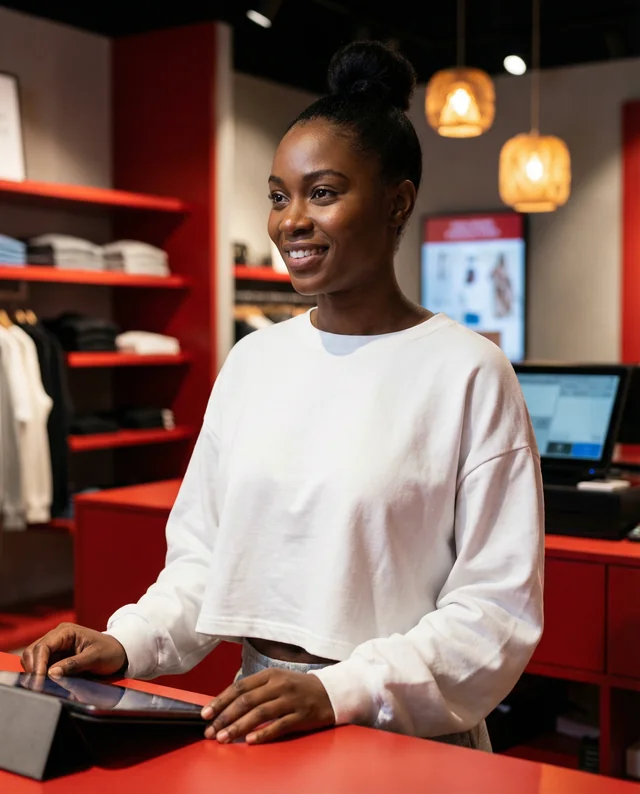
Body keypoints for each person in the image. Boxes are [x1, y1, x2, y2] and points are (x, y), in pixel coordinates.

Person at [22, 41, 544, 751]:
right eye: (278, 195)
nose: (290, 221)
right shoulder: (255, 361)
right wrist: (127, 642)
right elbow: (206, 555)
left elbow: (495, 613)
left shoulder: (470, 373)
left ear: (398, 202)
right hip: (260, 723)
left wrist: (339, 690)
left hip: (404, 739)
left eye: (322, 193)